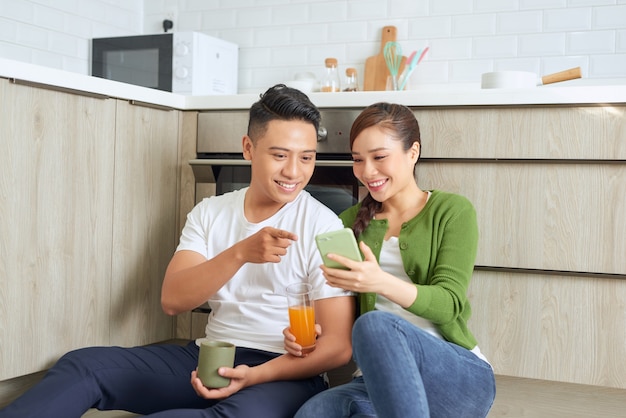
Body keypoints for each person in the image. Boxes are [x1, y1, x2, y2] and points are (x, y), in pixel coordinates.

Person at [0, 85, 355, 418]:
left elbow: (338, 347)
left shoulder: (324, 226)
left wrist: (254, 375)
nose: (293, 171)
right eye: (279, 155)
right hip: (208, 355)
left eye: (306, 158)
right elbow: (174, 299)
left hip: (283, 374)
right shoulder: (210, 212)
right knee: (84, 367)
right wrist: (240, 253)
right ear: (248, 148)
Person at [285, 102, 496, 418]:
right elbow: (333, 308)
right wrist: (311, 333)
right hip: (376, 382)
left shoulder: (452, 211)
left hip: (457, 375)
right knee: (311, 414)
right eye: (358, 160)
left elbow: (450, 302)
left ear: (413, 152)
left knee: (375, 324)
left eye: (379, 157)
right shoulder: (347, 222)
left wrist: (379, 282)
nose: (367, 172)